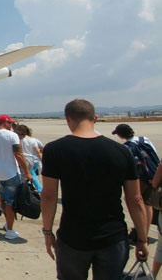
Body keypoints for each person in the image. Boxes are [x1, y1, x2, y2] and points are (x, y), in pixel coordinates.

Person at [41, 99, 148, 279]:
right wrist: (142, 239)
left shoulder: (54, 150)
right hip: (113, 238)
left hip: (72, 237)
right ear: (95, 118)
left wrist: (47, 231)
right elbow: (135, 200)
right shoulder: (121, 151)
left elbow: (49, 196)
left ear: (68, 119)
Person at [0, 114, 32, 240]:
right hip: (10, 172)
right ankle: (10, 230)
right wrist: (27, 172)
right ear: (5, 122)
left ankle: (7, 223)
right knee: (11, 202)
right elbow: (18, 154)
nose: (11, 125)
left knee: (3, 200)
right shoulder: (12, 135)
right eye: (9, 123)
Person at [112, 123, 158, 240]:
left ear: (121, 135)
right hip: (154, 174)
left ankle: (142, 232)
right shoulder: (144, 139)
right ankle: (143, 231)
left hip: (142, 179)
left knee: (142, 203)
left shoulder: (126, 147)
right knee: (149, 204)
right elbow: (154, 154)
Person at [16, 124, 43, 192]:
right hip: (33, 159)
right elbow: (38, 151)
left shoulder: (20, 139)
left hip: (24, 158)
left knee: (27, 175)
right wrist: (42, 160)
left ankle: (38, 188)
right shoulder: (33, 140)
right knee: (30, 173)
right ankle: (31, 188)